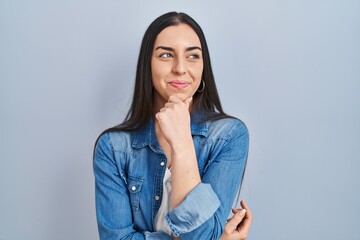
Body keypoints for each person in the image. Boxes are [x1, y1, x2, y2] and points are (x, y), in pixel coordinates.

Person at [93, 12, 252, 239]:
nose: (180, 68)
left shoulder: (229, 136)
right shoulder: (113, 148)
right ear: (147, 65)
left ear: (203, 66)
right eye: (166, 55)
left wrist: (181, 142)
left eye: (193, 56)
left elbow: (201, 237)